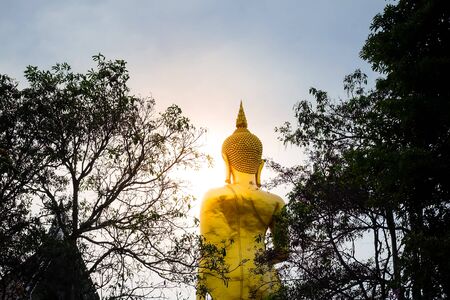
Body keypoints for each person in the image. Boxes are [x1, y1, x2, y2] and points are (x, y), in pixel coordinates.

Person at [197, 102, 288, 300]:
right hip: (265, 282)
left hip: (227, 281)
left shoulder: (214, 197)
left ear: (226, 162)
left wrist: (200, 290)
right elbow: (283, 252)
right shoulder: (275, 202)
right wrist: (259, 262)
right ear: (260, 165)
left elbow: (208, 254)